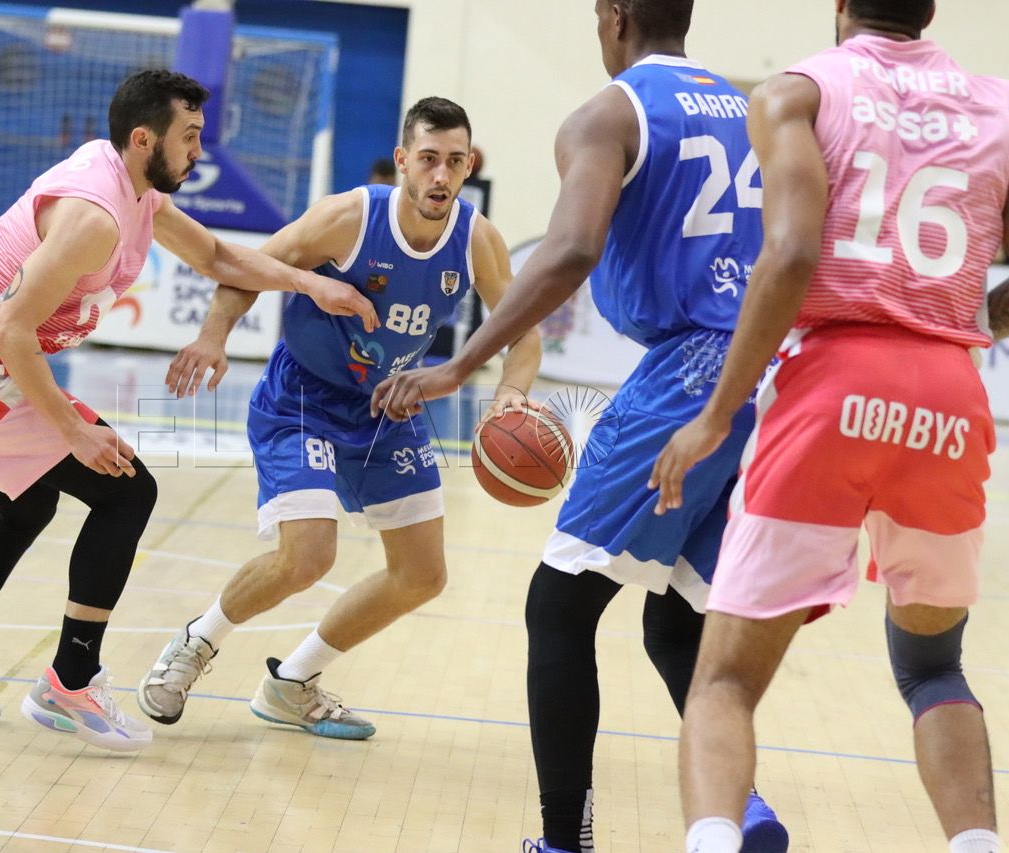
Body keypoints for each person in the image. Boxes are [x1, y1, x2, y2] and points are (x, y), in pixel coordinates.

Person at [370, 3, 788, 851]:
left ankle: (565, 841)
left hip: (688, 368)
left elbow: (567, 250)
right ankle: (744, 813)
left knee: (558, 606)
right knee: (676, 622)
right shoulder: (747, 110)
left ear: (615, 15)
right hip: (769, 372)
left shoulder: (610, 112)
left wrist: (460, 364)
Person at [0, 69, 378, 753]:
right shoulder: (95, 216)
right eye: (191, 136)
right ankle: (70, 682)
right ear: (145, 139)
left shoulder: (133, 187)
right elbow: (10, 333)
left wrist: (305, 282)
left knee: (29, 508)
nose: (200, 151)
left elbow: (215, 254)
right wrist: (71, 428)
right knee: (127, 490)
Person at [648, 1, 1009, 851]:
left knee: (725, 680)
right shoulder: (997, 104)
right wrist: (986, 315)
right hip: (950, 394)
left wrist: (712, 415)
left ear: (842, 7)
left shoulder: (797, 91)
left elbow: (792, 255)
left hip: (836, 381)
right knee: (933, 666)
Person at [135, 96, 541, 740]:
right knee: (308, 557)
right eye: (429, 160)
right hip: (304, 398)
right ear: (403, 161)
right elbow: (245, 270)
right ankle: (195, 643)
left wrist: (511, 394)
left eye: (454, 163)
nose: (441, 176)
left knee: (423, 575)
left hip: (389, 407)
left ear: (469, 168)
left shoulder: (477, 239)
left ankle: (291, 684)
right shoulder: (350, 218)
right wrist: (214, 335)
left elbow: (524, 331)